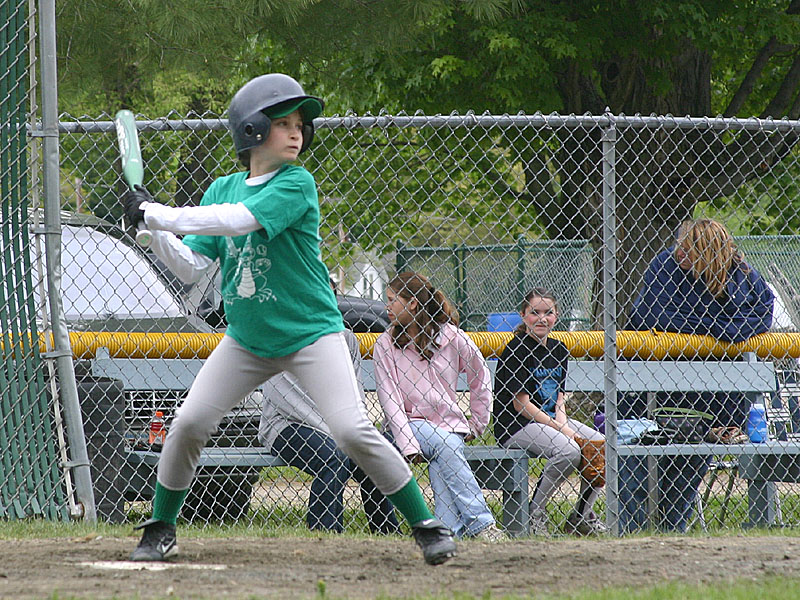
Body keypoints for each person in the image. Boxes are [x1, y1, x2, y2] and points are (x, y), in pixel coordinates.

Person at [121, 73, 456, 565]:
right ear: (252, 130)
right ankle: (160, 528)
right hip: (248, 339)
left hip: (310, 335)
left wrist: (159, 214)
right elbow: (192, 264)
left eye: (299, 124)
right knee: (189, 423)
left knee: (350, 431)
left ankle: (425, 524)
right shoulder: (222, 188)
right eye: (282, 123)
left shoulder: (297, 183)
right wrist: (148, 231)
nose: (296, 132)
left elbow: (240, 221)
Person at [621, 217, 774, 532]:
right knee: (636, 473)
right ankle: (631, 534)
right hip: (655, 389)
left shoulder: (739, 271)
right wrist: (719, 327)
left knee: (686, 477)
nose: (680, 254)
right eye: (680, 246)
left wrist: (727, 330)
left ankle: (672, 533)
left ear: (709, 254)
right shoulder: (666, 265)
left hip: (712, 399)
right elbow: (652, 314)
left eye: (689, 251)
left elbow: (764, 310)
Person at [373, 272, 505, 542]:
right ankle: (481, 524)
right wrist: (408, 444)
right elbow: (390, 400)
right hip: (410, 425)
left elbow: (480, 375)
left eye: (391, 300)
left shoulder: (452, 337)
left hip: (449, 426)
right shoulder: (385, 344)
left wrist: (478, 423)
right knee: (447, 446)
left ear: (411, 304)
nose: (387, 307)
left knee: (445, 451)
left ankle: (446, 532)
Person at [257, 326, 400, 535]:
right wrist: (337, 433)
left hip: (335, 426)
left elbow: (354, 395)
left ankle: (387, 532)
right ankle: (324, 534)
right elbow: (285, 399)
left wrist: (354, 431)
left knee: (374, 454)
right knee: (334, 456)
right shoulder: (280, 335)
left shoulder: (344, 338)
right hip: (287, 424)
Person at [493, 288, 606, 537]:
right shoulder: (516, 350)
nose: (542, 318)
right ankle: (534, 514)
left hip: (549, 421)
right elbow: (521, 405)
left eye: (548, 313)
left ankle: (582, 516)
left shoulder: (559, 349)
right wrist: (561, 430)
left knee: (600, 445)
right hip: (517, 425)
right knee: (568, 450)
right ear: (523, 316)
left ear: (557, 316)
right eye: (535, 313)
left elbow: (559, 400)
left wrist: (562, 423)